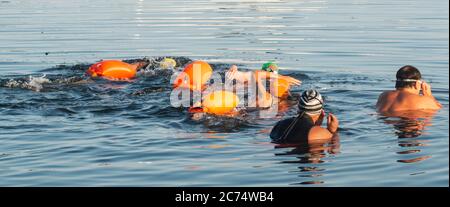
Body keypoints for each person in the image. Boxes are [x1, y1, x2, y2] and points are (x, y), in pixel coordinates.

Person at [270, 89, 339, 144]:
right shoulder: (319, 133)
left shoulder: (279, 124)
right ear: (322, 113)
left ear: (298, 109)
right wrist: (332, 131)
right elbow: (332, 147)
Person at [376, 65, 442, 114]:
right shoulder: (424, 100)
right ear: (417, 84)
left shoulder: (383, 95)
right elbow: (439, 109)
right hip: (408, 123)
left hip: (385, 121)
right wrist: (429, 96)